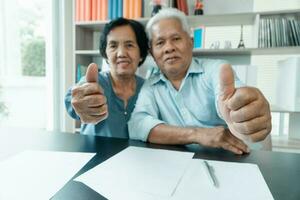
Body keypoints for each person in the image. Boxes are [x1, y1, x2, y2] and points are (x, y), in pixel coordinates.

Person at [128, 8, 272, 154]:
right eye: (160, 42)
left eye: (176, 39)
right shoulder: (150, 85)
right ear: (152, 52)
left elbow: (230, 97)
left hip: (232, 159)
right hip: (180, 164)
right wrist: (197, 134)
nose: (169, 48)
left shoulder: (215, 69)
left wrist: (240, 110)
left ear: (191, 42)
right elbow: (137, 125)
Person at [65, 17, 149, 138]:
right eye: (113, 46)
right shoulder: (97, 82)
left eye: (129, 45)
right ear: (105, 54)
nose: (121, 53)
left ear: (141, 54)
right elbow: (74, 96)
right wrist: (81, 101)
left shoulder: (148, 88)